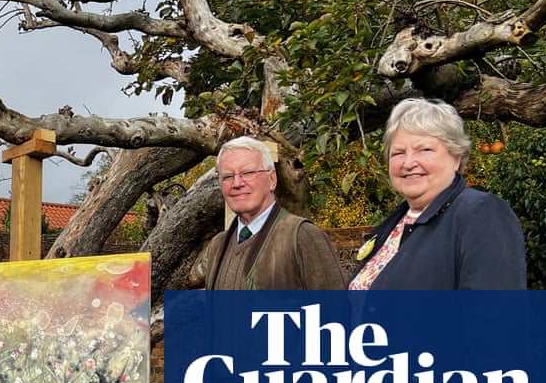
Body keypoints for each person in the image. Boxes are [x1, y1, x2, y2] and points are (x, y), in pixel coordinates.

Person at [349, 98, 526, 289]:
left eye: (424, 150)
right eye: (398, 153)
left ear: (456, 157)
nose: (408, 163)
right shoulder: (397, 223)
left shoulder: (480, 214)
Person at [191, 136, 347, 290]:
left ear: (272, 179)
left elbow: (336, 312)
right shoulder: (217, 246)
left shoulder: (303, 236)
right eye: (228, 176)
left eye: (248, 173)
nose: (237, 183)